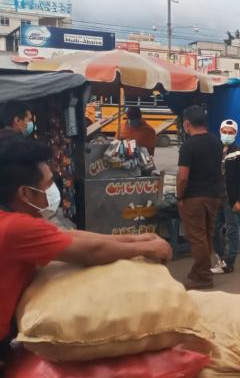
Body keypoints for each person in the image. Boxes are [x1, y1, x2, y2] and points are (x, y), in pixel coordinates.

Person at [0, 135, 172, 366]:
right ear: (25, 193)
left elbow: (68, 237)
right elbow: (91, 251)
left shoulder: (13, 220)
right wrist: (148, 248)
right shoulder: (15, 227)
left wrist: (136, 239)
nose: (54, 191)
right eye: (48, 185)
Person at [177, 105, 224, 290]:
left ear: (187, 124)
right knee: (206, 236)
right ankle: (200, 272)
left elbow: (183, 177)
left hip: (193, 197)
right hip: (213, 196)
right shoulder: (217, 142)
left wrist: (179, 196)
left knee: (197, 238)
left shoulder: (188, 146)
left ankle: (202, 276)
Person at [211, 119, 240, 274]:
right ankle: (221, 257)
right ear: (220, 132)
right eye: (224, 132)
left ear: (235, 134)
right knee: (214, 229)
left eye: (230, 132)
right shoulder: (214, 151)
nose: (227, 135)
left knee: (232, 230)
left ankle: (229, 263)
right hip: (215, 197)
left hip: (231, 199)